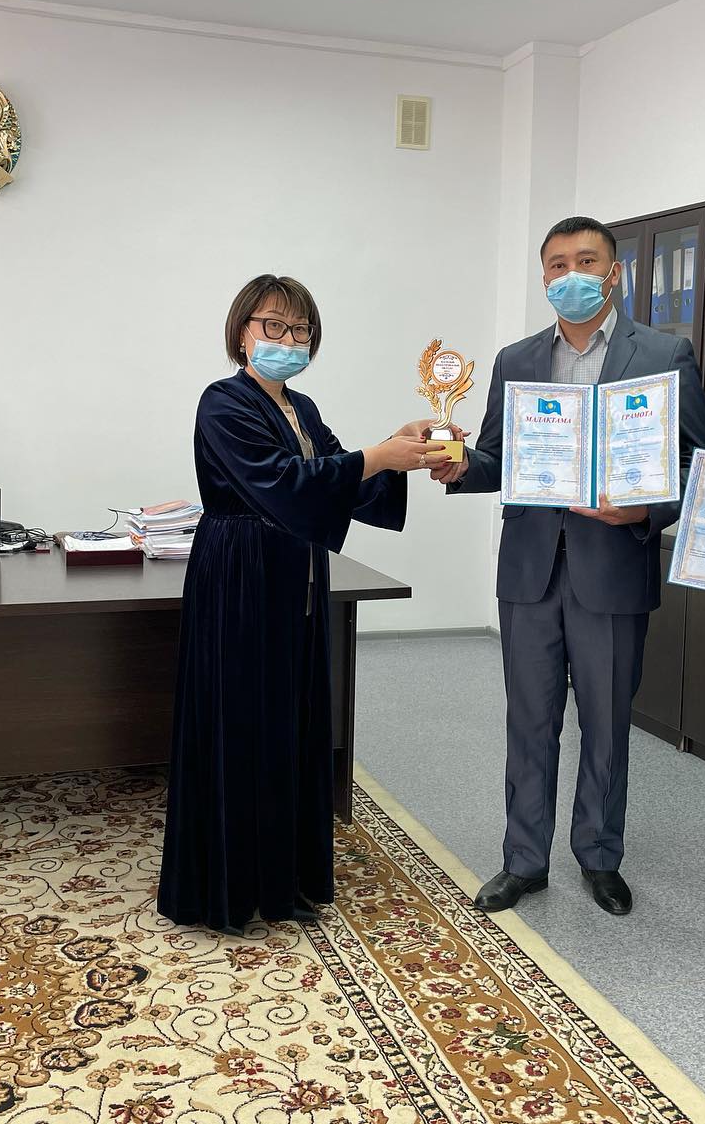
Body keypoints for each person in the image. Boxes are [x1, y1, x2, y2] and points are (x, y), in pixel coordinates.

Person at [435, 216, 705, 916]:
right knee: (529, 721)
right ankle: (523, 860)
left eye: (586, 261)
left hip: (613, 567)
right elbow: (497, 457)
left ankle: (599, 855)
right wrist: (459, 464)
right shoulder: (517, 359)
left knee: (607, 724)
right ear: (545, 277)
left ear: (614, 272)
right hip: (531, 569)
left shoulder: (664, 352)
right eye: (558, 265)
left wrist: (643, 511)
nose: (571, 275)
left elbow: (695, 465)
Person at [157, 274, 450, 934]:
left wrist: (397, 453)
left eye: (301, 330)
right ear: (243, 333)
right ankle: (228, 887)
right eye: (275, 326)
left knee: (291, 720)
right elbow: (282, 483)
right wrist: (376, 456)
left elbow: (337, 478)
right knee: (243, 721)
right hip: (240, 575)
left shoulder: (303, 407)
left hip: (298, 577)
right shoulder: (222, 403)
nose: (289, 340)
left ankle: (284, 879)